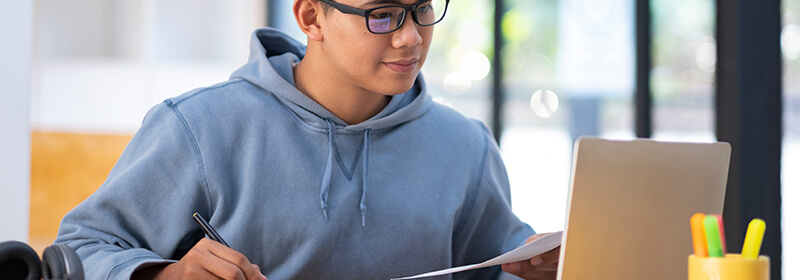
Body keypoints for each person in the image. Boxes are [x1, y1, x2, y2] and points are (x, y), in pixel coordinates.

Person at [54, 0, 560, 279]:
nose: (410, 37)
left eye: (422, 8)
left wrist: (536, 266)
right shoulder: (199, 126)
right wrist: (161, 277)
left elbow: (491, 264)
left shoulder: (465, 146)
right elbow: (81, 248)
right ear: (311, 17)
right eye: (381, 15)